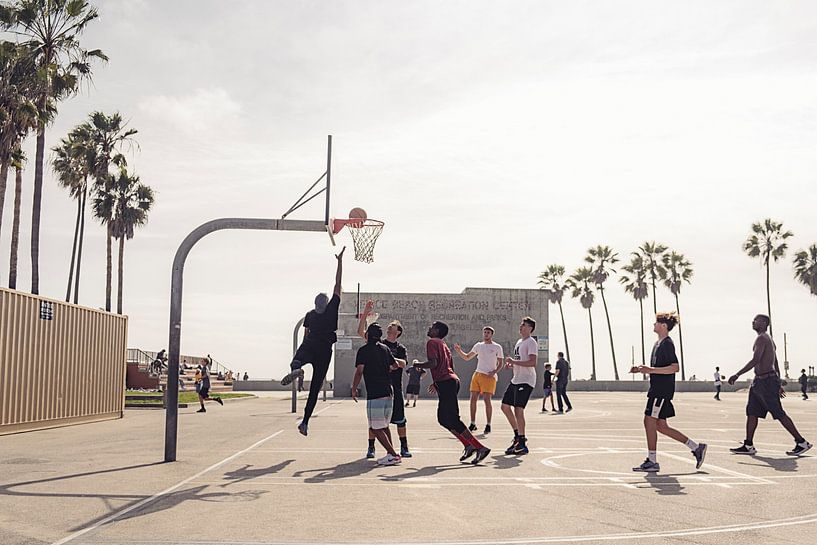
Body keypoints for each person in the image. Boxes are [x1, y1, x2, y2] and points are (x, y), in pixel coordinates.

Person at [280, 247, 345, 436]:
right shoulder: (332, 308)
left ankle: (297, 368)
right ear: (326, 303)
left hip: (310, 344)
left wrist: (300, 355)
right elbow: (337, 283)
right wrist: (339, 261)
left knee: (296, 360)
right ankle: (305, 422)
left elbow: (306, 335)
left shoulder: (309, 315)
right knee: (315, 388)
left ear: (315, 304)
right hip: (325, 350)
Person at [631, 312, 707, 472]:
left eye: (656, 323)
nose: (653, 325)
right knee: (661, 426)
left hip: (661, 391)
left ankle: (652, 461)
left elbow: (675, 367)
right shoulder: (657, 344)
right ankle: (696, 447)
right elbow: (659, 368)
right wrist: (641, 369)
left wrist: (650, 370)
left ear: (663, 326)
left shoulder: (667, 344)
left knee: (649, 421)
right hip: (657, 390)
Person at [728, 315, 812, 456]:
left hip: (766, 382)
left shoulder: (762, 338)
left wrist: (737, 374)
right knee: (752, 412)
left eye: (756, 320)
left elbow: (756, 359)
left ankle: (801, 442)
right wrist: (778, 382)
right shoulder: (769, 340)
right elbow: (776, 361)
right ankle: (748, 445)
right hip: (759, 382)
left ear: (765, 323)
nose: (753, 322)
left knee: (778, 413)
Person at [412, 321, 491, 464]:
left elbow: (433, 364)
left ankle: (480, 447)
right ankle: (468, 445)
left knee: (453, 418)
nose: (429, 328)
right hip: (449, 381)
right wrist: (437, 382)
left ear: (437, 331)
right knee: (443, 419)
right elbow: (449, 366)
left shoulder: (432, 342)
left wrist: (417, 365)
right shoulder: (443, 345)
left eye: (432, 327)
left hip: (447, 383)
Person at [357, 300, 413, 459]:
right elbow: (361, 331)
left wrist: (389, 359)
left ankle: (404, 446)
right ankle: (371, 447)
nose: (389, 327)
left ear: (398, 331)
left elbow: (402, 364)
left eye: (393, 326)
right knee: (375, 421)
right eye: (389, 326)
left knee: (400, 420)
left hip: (395, 388)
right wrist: (366, 313)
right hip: (380, 387)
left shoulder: (400, 348)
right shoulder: (379, 343)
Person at [351, 323, 402, 466]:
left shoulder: (363, 350)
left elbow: (360, 371)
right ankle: (390, 455)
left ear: (367, 335)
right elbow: (395, 365)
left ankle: (393, 454)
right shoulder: (385, 349)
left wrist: (354, 388)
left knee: (375, 427)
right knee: (384, 426)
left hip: (375, 393)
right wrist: (386, 368)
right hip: (388, 392)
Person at [453, 326, 504, 434]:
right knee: (473, 399)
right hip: (477, 374)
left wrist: (494, 372)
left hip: (489, 376)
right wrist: (459, 350)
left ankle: (488, 424)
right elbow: (467, 357)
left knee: (486, 399)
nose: (486, 334)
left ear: (491, 334)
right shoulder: (478, 346)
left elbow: (500, 363)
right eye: (485, 332)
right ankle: (472, 423)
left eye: (488, 332)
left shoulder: (497, 347)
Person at [500, 317, 538, 456]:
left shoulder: (531, 342)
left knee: (518, 409)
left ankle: (522, 442)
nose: (521, 326)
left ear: (530, 328)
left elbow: (532, 362)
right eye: (521, 324)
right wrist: (511, 365)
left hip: (526, 380)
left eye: (524, 325)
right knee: (504, 406)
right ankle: (517, 436)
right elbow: (519, 361)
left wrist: (514, 361)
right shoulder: (519, 342)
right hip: (516, 379)